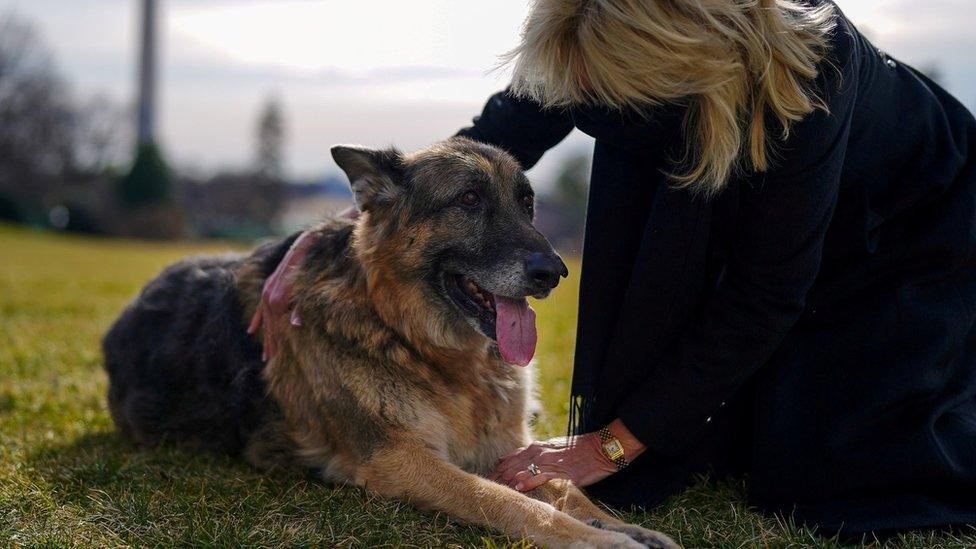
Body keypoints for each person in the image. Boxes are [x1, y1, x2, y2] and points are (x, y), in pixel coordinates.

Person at [250, 0, 976, 537]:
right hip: (749, 169)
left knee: (837, 474)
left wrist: (608, 444)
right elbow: (490, 140)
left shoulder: (811, 79)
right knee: (704, 447)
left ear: (676, 70)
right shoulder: (594, 25)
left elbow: (765, 291)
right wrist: (336, 234)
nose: (584, 102)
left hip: (913, 218)